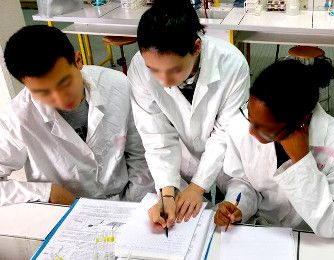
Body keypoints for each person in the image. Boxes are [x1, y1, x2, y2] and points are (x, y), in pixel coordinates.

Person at [128, 0, 249, 231]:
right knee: (190, 218)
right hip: (179, 154)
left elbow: (225, 132)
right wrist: (166, 192)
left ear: (196, 47)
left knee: (227, 211)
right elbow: (156, 135)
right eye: (154, 70)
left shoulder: (232, 64)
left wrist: (199, 186)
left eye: (175, 70)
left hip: (226, 152)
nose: (164, 81)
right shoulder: (139, 69)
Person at [0, 25, 155, 206]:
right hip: (64, 211)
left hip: (125, 200)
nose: (59, 98)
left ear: (78, 60)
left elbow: (139, 155)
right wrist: (46, 192)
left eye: (64, 83)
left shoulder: (117, 85)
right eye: (43, 92)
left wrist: (132, 204)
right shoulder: (17, 118)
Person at [214, 58, 334, 238]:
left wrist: (302, 161)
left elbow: (333, 224)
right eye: (250, 117)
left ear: (301, 121)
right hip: (261, 231)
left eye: (264, 129)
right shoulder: (240, 127)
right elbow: (245, 181)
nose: (251, 132)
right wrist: (237, 206)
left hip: (310, 239)